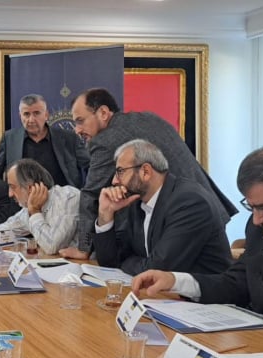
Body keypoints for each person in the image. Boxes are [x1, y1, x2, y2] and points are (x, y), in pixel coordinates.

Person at [65, 87, 238, 259]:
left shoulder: (105, 140)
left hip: (178, 219)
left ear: (103, 112)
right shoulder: (149, 118)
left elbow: (91, 194)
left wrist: (83, 248)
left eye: (80, 121)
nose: (77, 130)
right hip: (208, 207)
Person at [132, 145, 263, 318]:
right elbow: (237, 285)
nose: (256, 219)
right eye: (251, 207)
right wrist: (175, 281)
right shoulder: (257, 228)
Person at [93, 139, 231, 275]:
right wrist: (105, 213)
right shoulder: (137, 202)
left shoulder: (189, 201)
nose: (114, 181)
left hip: (198, 296)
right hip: (161, 295)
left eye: (120, 171)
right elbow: (110, 261)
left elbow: (158, 269)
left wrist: (124, 262)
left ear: (145, 171)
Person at [0, 159, 79, 255]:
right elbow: (3, 231)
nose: (10, 194)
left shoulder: (67, 197)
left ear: (30, 188)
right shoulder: (27, 208)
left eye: (13, 187)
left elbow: (51, 246)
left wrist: (35, 211)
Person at [0, 93, 89, 188]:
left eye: (36, 113)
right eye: (26, 114)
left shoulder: (69, 138)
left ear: (46, 115)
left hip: (63, 201)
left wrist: (87, 194)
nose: (31, 120)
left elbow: (90, 166)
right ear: (20, 116)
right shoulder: (10, 138)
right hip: (21, 203)